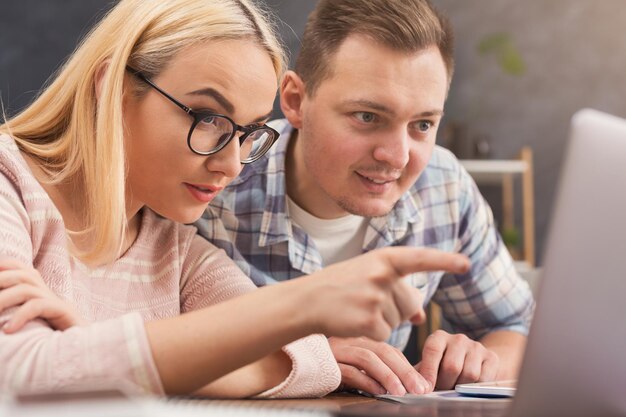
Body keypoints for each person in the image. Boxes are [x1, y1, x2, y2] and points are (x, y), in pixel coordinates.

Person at [0, 0, 470, 398]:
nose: (230, 164)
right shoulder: (9, 183)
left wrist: (82, 343)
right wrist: (305, 303)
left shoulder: (177, 247)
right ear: (114, 91)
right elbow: (19, 374)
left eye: (247, 133)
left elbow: (307, 357)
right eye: (207, 117)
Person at [198, 0, 535, 396]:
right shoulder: (211, 185)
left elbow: (517, 327)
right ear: (294, 101)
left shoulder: (442, 186)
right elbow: (151, 349)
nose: (397, 156)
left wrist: (482, 360)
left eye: (422, 124)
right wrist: (311, 358)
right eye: (367, 117)